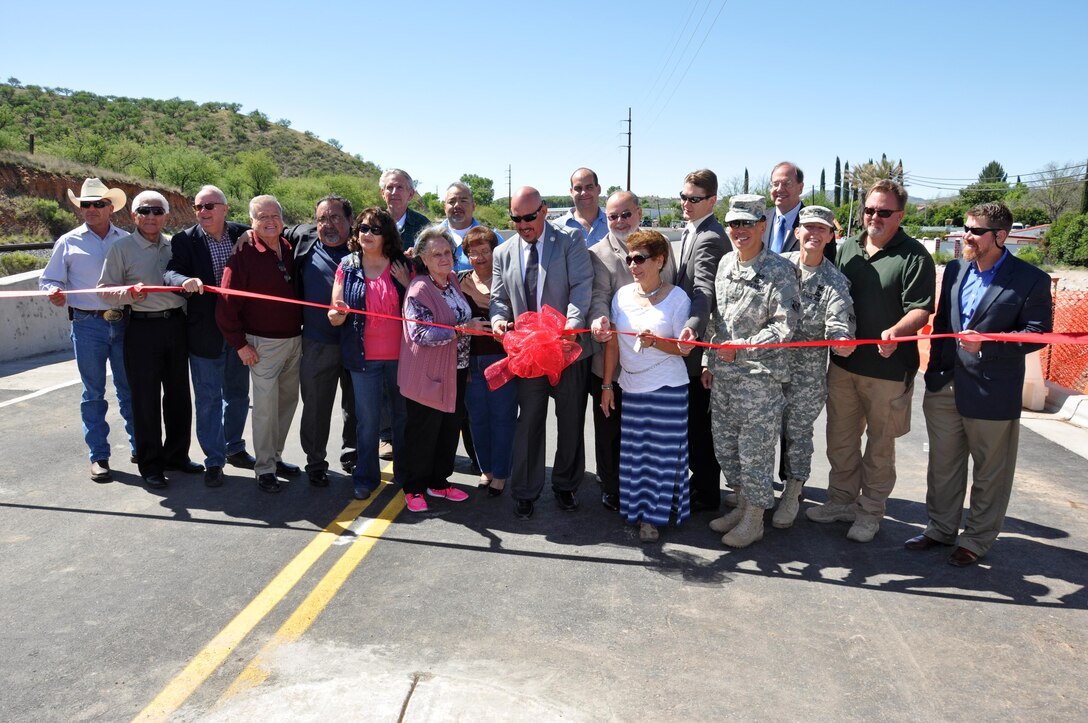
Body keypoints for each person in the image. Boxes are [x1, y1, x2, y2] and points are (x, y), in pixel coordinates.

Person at [910, 202, 1052, 566]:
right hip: (945, 384)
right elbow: (943, 324)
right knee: (942, 465)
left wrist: (988, 343)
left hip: (993, 389)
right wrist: (936, 372)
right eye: (965, 228)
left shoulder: (1030, 278)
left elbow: (1037, 336)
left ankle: (976, 539)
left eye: (975, 231)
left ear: (1000, 236)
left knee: (990, 472)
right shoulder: (956, 269)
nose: (966, 236)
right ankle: (939, 529)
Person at [806, 179, 936, 543]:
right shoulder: (846, 247)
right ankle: (840, 502)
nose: (874, 216)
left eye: (884, 211)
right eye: (869, 209)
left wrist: (897, 331)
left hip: (888, 371)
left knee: (880, 446)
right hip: (844, 366)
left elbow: (921, 309)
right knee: (840, 441)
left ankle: (870, 512)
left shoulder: (914, 255)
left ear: (901, 215)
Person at [491, 186, 593, 520]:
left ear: (544, 211)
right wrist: (498, 319)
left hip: (566, 349)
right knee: (530, 421)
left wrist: (572, 324)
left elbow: (581, 286)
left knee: (570, 419)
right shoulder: (503, 252)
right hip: (529, 353)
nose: (522, 225)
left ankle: (565, 485)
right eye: (516, 219)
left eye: (528, 217)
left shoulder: (570, 240)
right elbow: (499, 298)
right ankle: (525, 491)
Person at [704, 195, 800, 549]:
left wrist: (742, 347)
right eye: (734, 224)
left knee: (755, 451)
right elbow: (716, 318)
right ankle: (743, 504)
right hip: (725, 376)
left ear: (763, 225)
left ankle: (755, 520)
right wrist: (708, 361)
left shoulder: (779, 270)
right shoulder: (726, 263)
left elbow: (784, 327)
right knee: (726, 448)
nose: (739, 230)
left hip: (760, 379)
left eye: (747, 223)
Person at [98, 191, 198, 489]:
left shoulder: (176, 245)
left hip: (177, 326)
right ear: (133, 216)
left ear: (167, 216)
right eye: (144, 211)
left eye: (157, 211)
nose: (151, 217)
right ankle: (151, 464)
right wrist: (129, 293)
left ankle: (177, 456)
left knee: (179, 395)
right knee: (145, 399)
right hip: (142, 329)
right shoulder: (121, 248)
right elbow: (104, 290)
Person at [598, 230, 692, 543]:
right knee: (636, 456)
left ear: (660, 260)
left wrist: (658, 342)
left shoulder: (678, 298)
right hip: (632, 387)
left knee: (662, 458)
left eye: (640, 258)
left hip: (668, 389)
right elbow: (613, 344)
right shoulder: (622, 296)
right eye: (629, 259)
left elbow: (683, 349)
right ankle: (637, 510)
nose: (633, 265)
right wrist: (607, 385)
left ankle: (653, 518)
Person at [39, 178, 135, 482]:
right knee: (93, 393)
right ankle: (99, 457)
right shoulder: (67, 242)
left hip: (123, 322)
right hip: (86, 324)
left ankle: (141, 447)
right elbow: (49, 279)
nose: (90, 209)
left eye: (97, 204)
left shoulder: (126, 240)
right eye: (85, 204)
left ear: (110, 208)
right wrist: (53, 291)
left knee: (129, 390)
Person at [588, 191, 678, 511]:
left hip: (657, 361)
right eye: (613, 217)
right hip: (612, 362)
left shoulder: (660, 247)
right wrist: (600, 317)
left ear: (639, 213)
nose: (620, 222)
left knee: (648, 435)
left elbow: (674, 291)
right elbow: (598, 295)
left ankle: (651, 488)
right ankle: (611, 486)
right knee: (611, 430)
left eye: (626, 214)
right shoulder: (598, 253)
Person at [165, 185, 255, 486]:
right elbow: (170, 273)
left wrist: (251, 233)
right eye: (198, 207)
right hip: (204, 334)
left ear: (225, 209)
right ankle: (214, 461)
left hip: (239, 333)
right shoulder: (184, 240)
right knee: (208, 399)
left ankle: (235, 449)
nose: (203, 212)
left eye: (209, 206)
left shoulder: (241, 233)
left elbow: (270, 229)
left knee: (238, 395)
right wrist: (185, 280)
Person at [215, 195, 303, 493]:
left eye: (274, 216)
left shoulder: (291, 247)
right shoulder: (243, 253)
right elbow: (226, 302)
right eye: (261, 217)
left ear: (282, 218)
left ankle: (275, 458)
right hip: (262, 344)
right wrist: (239, 344)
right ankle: (264, 468)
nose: (269, 221)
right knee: (265, 408)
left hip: (295, 339)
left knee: (287, 403)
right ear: (251, 222)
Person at [774, 206, 855, 528]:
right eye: (808, 227)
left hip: (805, 376)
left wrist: (841, 339)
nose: (814, 234)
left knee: (797, 434)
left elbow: (840, 321)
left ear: (831, 236)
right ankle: (755, 491)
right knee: (761, 430)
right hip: (768, 368)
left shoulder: (835, 281)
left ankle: (792, 492)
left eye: (822, 229)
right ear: (797, 233)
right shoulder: (777, 266)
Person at [398, 227, 487, 512]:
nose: (444, 258)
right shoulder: (419, 289)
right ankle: (413, 488)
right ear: (423, 258)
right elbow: (420, 335)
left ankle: (439, 482)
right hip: (427, 373)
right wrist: (463, 331)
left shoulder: (451, 282)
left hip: (456, 370)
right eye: (436, 254)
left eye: (447, 252)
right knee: (423, 432)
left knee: (448, 429)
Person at [328, 207, 411, 500]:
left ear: (386, 234)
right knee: (368, 421)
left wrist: (406, 285)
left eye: (375, 229)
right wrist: (337, 314)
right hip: (363, 357)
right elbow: (335, 313)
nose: (367, 234)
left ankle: (405, 474)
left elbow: (419, 304)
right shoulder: (347, 266)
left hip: (402, 356)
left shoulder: (402, 264)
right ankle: (366, 476)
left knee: (403, 418)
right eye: (363, 228)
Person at [285, 196, 358, 487]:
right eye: (322, 219)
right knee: (315, 406)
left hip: (356, 342)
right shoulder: (304, 240)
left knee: (355, 406)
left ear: (350, 221)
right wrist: (248, 234)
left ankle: (352, 454)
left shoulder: (363, 248)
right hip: (316, 343)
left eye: (335, 218)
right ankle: (315, 461)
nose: (328, 225)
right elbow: (265, 226)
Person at [674, 169, 731, 513]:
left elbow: (703, 291)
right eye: (683, 197)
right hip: (693, 348)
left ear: (712, 201)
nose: (686, 204)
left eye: (693, 199)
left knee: (701, 427)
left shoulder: (709, 236)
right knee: (695, 425)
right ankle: (702, 486)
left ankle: (708, 494)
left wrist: (693, 328)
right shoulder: (692, 230)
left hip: (700, 350)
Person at [458, 226, 517, 497]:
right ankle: (486, 469)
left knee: (502, 419)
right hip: (470, 363)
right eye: (473, 252)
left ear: (496, 252)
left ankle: (501, 473)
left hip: (502, 362)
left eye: (485, 251)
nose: (480, 257)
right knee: (477, 420)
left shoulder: (508, 281)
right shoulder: (459, 282)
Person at [761, 161, 837, 261]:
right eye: (775, 184)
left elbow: (827, 265)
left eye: (787, 184)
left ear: (800, 188)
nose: (779, 189)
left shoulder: (819, 225)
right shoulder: (760, 220)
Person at [439, 181, 488, 272]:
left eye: (463, 201)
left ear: (473, 206)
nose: (457, 205)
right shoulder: (428, 239)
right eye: (452, 201)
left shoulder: (493, 239)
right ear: (444, 207)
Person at [554, 167, 608, 246]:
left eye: (589, 187)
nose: (584, 193)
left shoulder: (614, 224)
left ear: (599, 189)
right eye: (578, 188)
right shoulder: (556, 228)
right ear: (571, 192)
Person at [381, 168, 430, 253]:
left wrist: (416, 257)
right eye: (389, 187)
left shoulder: (423, 225)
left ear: (410, 194)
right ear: (383, 193)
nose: (394, 192)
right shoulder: (373, 224)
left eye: (400, 187)